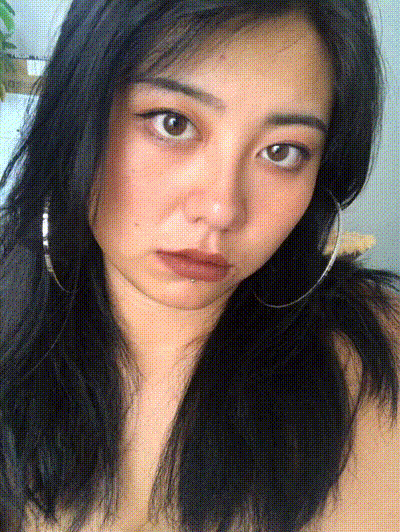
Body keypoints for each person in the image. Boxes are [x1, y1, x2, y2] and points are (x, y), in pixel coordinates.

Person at [0, 0, 398, 531]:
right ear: (78, 116)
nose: (221, 210)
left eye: (282, 151)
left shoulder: (376, 362)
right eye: (174, 123)